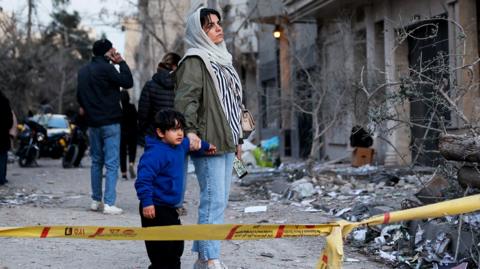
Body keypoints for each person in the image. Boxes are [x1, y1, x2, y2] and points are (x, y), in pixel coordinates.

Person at [174, 7, 244, 269]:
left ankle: (203, 257)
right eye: (209, 25)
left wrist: (239, 140)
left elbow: (232, 103)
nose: (218, 28)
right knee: (212, 200)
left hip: (227, 140)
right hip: (208, 140)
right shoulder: (194, 60)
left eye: (218, 23)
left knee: (219, 201)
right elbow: (185, 101)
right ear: (198, 32)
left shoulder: (223, 59)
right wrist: (190, 132)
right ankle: (210, 257)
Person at [135, 109, 216, 269]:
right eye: (173, 129)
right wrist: (147, 202)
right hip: (155, 208)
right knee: (160, 252)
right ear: (160, 132)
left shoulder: (180, 145)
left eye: (181, 129)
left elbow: (192, 144)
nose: (179, 133)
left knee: (176, 247)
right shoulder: (155, 154)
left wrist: (207, 146)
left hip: (170, 208)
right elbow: (143, 180)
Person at [77, 38, 133, 215]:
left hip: (93, 124)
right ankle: (109, 203)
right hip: (110, 122)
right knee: (112, 163)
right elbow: (127, 82)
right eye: (112, 49)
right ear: (106, 52)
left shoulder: (83, 71)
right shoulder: (108, 68)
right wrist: (121, 62)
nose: (114, 51)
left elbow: (79, 96)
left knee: (96, 161)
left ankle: (96, 200)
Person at [138, 52, 181, 140]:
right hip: (176, 135)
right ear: (175, 66)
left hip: (154, 133)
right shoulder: (182, 85)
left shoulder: (150, 85)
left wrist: (144, 131)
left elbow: (143, 113)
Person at [120, 91, 138, 180]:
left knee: (122, 153)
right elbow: (136, 119)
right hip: (132, 132)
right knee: (132, 150)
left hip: (122, 133)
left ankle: (124, 173)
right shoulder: (132, 107)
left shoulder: (119, 109)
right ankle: (131, 163)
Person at [0, 91, 13, 186]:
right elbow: (10, 120)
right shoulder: (4, 101)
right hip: (3, 134)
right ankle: (2, 178)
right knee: (2, 156)